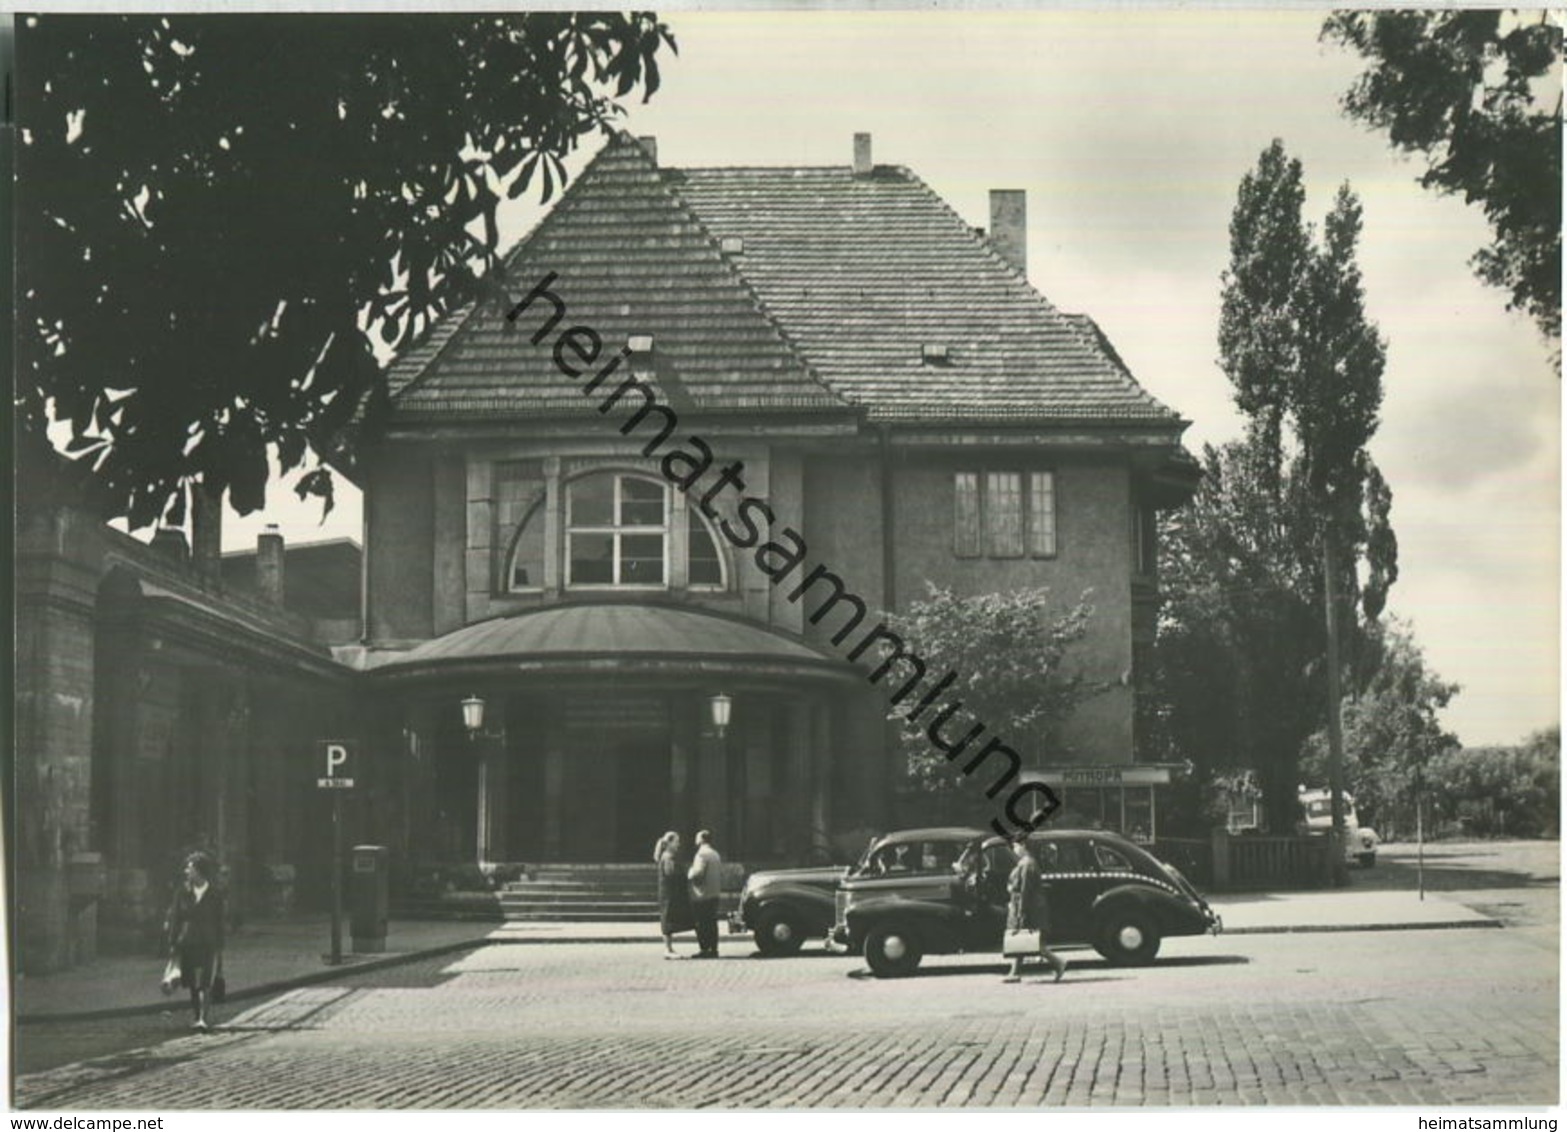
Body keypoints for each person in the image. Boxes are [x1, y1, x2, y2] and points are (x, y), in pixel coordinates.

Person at [164, 851, 226, 1031]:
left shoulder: (215, 894)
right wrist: (172, 942)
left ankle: (203, 1019)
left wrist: (220, 948)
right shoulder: (182, 893)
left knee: (205, 982)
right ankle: (197, 1015)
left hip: (208, 942)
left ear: (199, 871)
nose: (186, 872)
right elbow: (176, 918)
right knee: (192, 982)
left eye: (189, 868)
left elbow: (220, 922)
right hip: (187, 942)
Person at [1001, 836, 1067, 984]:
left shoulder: (1027, 864)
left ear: (1024, 845)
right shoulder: (1027, 863)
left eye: (1016, 845)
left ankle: (1058, 962)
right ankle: (1014, 972)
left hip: (1028, 908)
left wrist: (1020, 911)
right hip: (1027, 906)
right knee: (1022, 939)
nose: (1014, 848)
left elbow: (1025, 890)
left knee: (1031, 941)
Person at [654, 831, 694, 958]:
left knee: (668, 919)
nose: (679, 844)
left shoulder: (667, 856)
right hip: (669, 893)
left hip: (668, 892)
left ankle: (669, 949)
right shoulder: (668, 857)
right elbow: (670, 874)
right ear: (670, 843)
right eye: (676, 841)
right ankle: (668, 949)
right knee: (667, 919)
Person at [686, 829, 723, 959]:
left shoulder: (701, 855)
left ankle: (704, 948)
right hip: (714, 893)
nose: (695, 840)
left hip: (702, 894)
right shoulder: (715, 854)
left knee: (701, 923)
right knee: (712, 922)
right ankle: (714, 948)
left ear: (701, 840)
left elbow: (697, 874)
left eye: (697, 837)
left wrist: (690, 872)